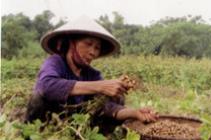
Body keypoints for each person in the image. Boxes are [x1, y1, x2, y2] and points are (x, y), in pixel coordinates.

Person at [25, 16, 157, 132]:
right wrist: (100, 86)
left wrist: (134, 113)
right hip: (49, 128)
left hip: (77, 130)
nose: (93, 52)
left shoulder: (93, 75)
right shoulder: (55, 62)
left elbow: (107, 108)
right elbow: (46, 86)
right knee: (38, 98)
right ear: (72, 43)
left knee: (116, 98)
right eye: (88, 44)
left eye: (97, 48)